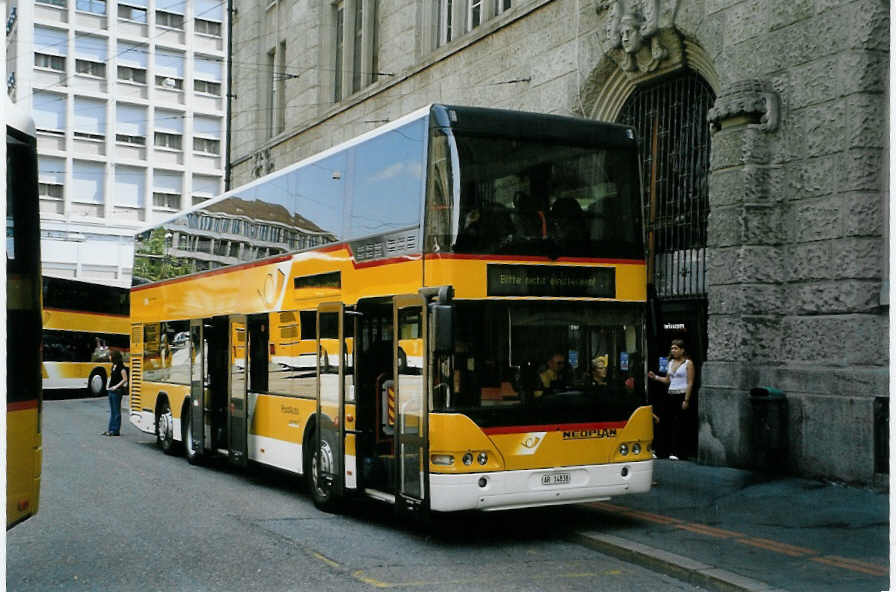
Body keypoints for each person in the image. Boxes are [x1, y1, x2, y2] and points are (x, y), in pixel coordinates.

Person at [647, 339, 694, 460]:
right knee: (665, 422)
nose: (673, 350)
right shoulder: (671, 362)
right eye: (672, 348)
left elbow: (690, 382)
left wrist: (686, 400)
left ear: (682, 350)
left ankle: (678, 452)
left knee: (680, 424)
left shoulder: (688, 363)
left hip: (682, 395)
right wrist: (655, 377)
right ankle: (662, 451)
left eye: (676, 348)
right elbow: (668, 380)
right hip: (670, 394)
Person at [103, 350, 128, 437]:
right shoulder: (113, 366)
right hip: (111, 390)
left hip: (117, 391)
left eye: (110, 356)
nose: (109, 357)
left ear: (114, 357)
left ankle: (115, 430)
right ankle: (110, 429)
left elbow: (125, 379)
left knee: (116, 411)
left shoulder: (121, 367)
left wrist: (116, 387)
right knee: (112, 411)